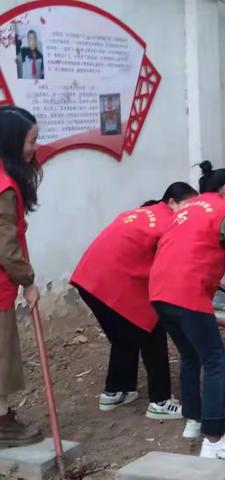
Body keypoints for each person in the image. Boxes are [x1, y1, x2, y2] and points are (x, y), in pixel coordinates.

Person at [150, 161, 225, 459]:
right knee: (216, 361)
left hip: (159, 292)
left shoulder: (184, 209)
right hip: (187, 293)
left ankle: (194, 422)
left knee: (190, 355)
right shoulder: (224, 211)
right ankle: (215, 438)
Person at [70, 182, 197, 419]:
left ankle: (116, 390)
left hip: (87, 278)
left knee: (125, 334)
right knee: (151, 328)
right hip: (113, 282)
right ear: (171, 203)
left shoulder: (140, 213)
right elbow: (170, 268)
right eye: (186, 207)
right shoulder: (168, 223)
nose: (190, 215)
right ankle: (160, 402)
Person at [0, 106, 43, 447]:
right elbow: (7, 246)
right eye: (31, 140)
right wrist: (28, 281)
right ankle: (2, 423)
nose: (35, 148)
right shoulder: (4, 186)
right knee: (2, 354)